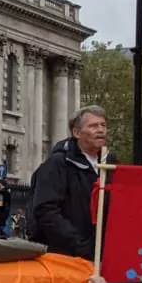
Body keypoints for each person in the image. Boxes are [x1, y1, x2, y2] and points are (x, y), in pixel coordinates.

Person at [29, 106, 107, 259]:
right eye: (93, 126)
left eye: (103, 125)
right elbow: (46, 211)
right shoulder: (58, 164)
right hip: (67, 256)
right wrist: (79, 244)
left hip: (101, 255)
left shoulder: (109, 164)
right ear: (76, 133)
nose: (100, 130)